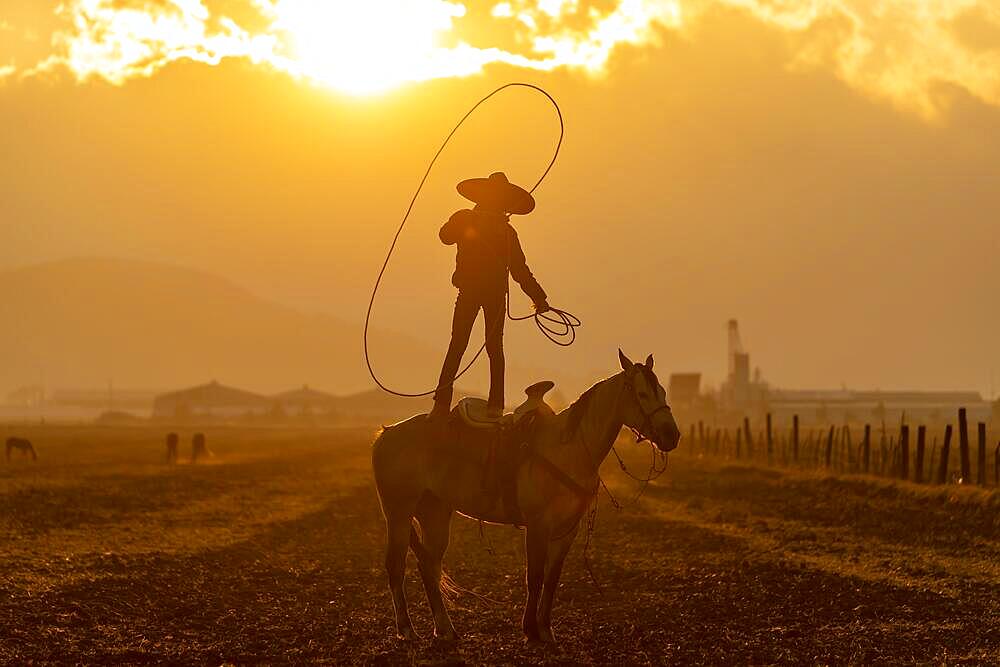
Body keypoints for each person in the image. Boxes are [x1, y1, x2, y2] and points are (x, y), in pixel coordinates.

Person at [430, 172, 549, 421]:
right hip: (487, 293)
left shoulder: (497, 229)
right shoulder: (498, 229)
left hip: (474, 292)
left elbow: (444, 237)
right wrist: (539, 298)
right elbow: (520, 271)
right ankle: (492, 406)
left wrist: (539, 297)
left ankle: (442, 405)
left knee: (460, 345)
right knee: (491, 348)